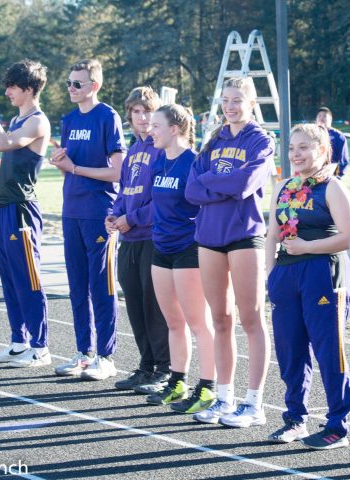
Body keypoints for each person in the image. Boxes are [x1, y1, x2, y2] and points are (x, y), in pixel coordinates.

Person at [185, 77, 275, 428]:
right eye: (226, 100)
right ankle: (225, 398)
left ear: (252, 103)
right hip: (209, 236)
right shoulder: (213, 140)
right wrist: (216, 184)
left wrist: (210, 182)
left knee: (251, 318)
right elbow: (191, 190)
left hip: (244, 235)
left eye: (238, 99)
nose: (230, 106)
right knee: (220, 319)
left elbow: (245, 184)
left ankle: (254, 403)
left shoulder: (261, 140)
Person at [265, 124, 350, 448]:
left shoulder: (332, 188)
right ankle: (295, 419)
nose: (296, 154)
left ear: (322, 150)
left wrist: (307, 248)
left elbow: (348, 237)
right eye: (292, 148)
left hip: (323, 272)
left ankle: (337, 425)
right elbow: (272, 234)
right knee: (290, 350)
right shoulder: (283, 186)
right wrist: (270, 275)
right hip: (287, 275)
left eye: (304, 147)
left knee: (329, 350)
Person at [138, 104, 217, 413]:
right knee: (173, 321)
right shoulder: (159, 162)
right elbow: (156, 207)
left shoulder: (193, 162)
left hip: (188, 249)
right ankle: (177, 381)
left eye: (156, 125)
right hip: (161, 247)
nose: (149, 129)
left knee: (199, 322)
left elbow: (204, 206)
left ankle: (208, 387)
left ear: (174, 129)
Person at [0, 60, 52, 368]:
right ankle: (19, 342)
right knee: (9, 280)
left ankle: (41, 346)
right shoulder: (18, 119)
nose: (7, 92)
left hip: (22, 210)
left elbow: (4, 144)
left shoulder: (38, 121)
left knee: (28, 279)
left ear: (29, 90)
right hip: (3, 208)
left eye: (12, 87)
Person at [51, 59, 126, 380]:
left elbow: (118, 171)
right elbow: (68, 164)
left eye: (77, 83)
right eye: (69, 82)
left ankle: (106, 357)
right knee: (77, 286)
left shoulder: (107, 116)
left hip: (99, 212)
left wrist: (75, 168)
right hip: (71, 211)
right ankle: (84, 352)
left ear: (93, 86)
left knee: (101, 285)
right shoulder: (68, 119)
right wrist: (60, 162)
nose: (71, 88)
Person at [111, 87, 171, 393]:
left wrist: (131, 218)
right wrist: (114, 214)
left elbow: (161, 198)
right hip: (128, 239)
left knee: (154, 305)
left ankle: (164, 369)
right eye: (137, 112)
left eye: (148, 111)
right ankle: (146, 366)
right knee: (134, 303)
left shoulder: (162, 148)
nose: (143, 117)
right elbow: (124, 192)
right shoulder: (133, 151)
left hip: (152, 237)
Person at [315, 107, 349, 177]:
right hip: (313, 176)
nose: (321, 118)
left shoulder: (338, 136)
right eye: (319, 116)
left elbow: (343, 161)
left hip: (330, 175)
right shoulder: (311, 135)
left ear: (330, 120)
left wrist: (336, 176)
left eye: (324, 116)